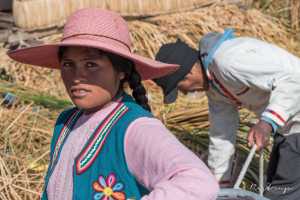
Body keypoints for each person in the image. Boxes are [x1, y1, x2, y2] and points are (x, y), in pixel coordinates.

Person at [7, 8, 219, 200]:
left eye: (91, 65)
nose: (77, 77)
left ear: (121, 71)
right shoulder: (66, 123)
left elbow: (198, 182)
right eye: (68, 65)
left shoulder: (134, 128)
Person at [153, 29, 300, 200]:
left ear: (189, 74)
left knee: (280, 195)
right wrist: (218, 188)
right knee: (274, 191)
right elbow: (222, 135)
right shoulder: (216, 88)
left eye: (180, 88)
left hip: (295, 127)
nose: (184, 93)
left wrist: (267, 122)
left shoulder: (229, 61)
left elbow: (294, 80)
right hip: (289, 129)